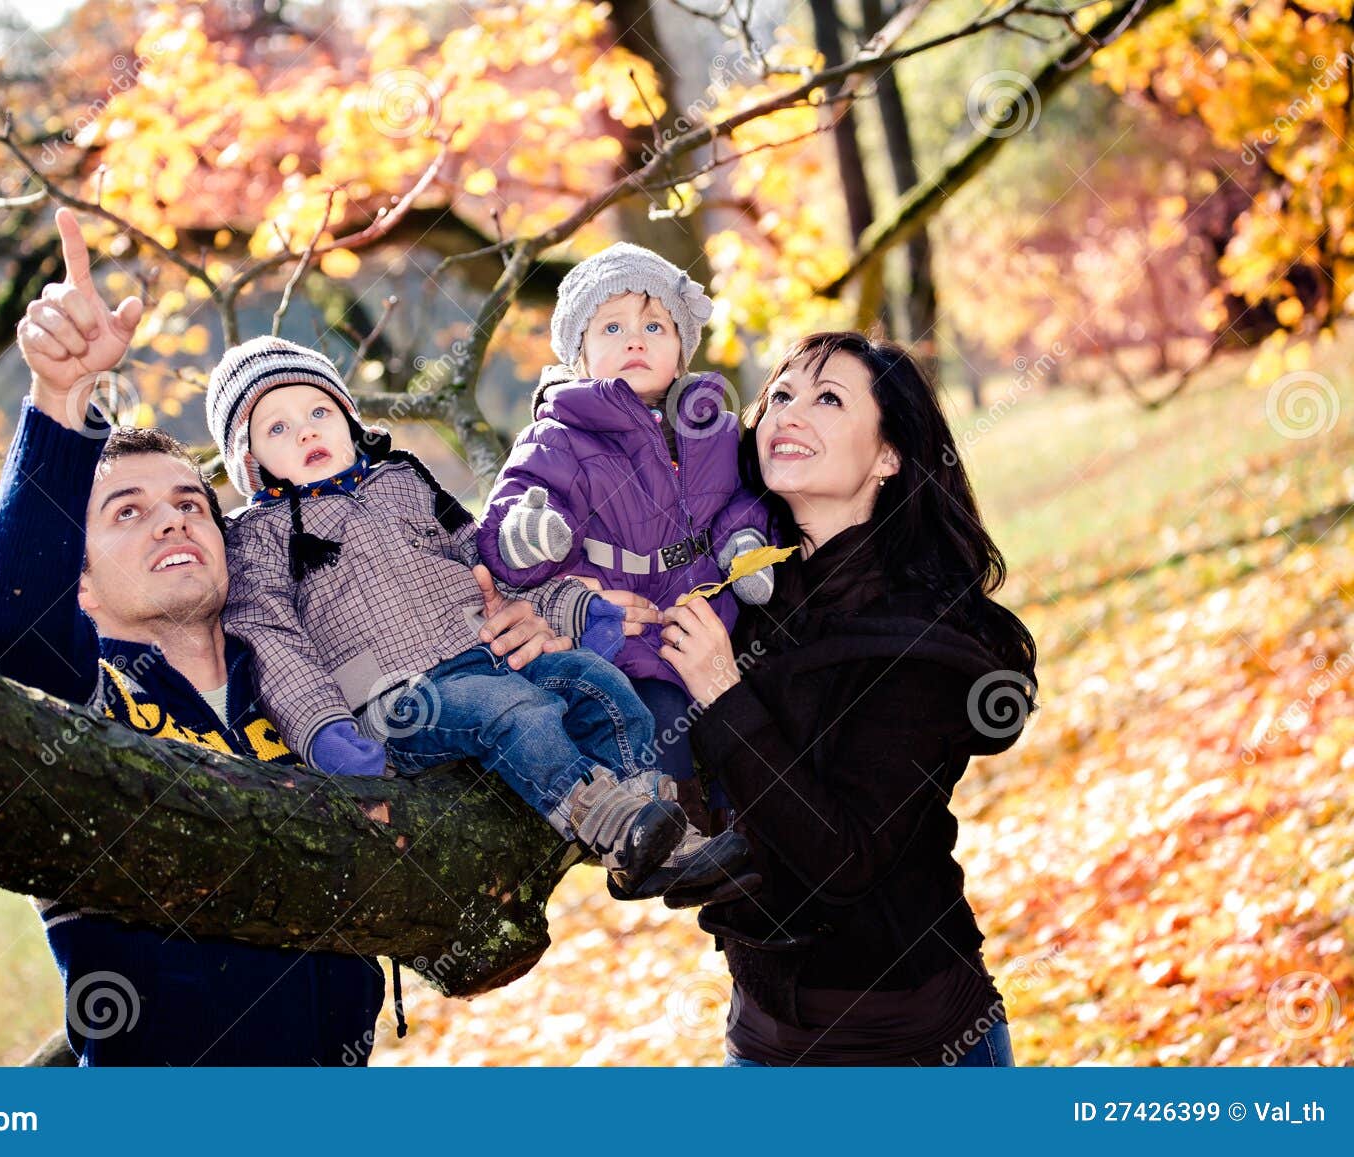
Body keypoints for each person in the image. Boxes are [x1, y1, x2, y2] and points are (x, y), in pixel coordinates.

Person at [0, 207, 558, 1065]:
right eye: (126, 513)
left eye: (189, 504)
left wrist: (519, 630)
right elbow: (16, 624)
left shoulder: (306, 683)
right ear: (82, 582)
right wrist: (63, 398)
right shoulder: (88, 701)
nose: (171, 523)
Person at [204, 335, 753, 906]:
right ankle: (607, 824)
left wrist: (569, 606)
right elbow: (271, 640)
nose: (306, 431)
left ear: (348, 419)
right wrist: (322, 729)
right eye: (277, 429)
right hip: (396, 697)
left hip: (487, 656)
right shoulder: (259, 536)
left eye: (318, 411)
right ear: (251, 462)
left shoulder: (405, 482)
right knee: (516, 712)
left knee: (599, 682)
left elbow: (487, 564)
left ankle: (658, 834)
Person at [657, 331, 1039, 1066]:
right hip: (760, 1042)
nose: (789, 414)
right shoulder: (737, 598)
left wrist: (720, 691)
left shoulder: (920, 634)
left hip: (915, 1050)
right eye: (782, 395)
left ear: (890, 455)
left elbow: (846, 860)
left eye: (829, 398)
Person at [476, 243, 773, 819]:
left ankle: (746, 829)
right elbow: (519, 504)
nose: (635, 340)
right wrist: (529, 534)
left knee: (734, 724)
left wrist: (744, 542)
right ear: (580, 356)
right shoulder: (560, 435)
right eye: (612, 327)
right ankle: (671, 832)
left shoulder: (713, 426)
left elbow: (743, 496)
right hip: (624, 636)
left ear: (683, 351)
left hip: (712, 622)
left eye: (655, 325)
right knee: (659, 720)